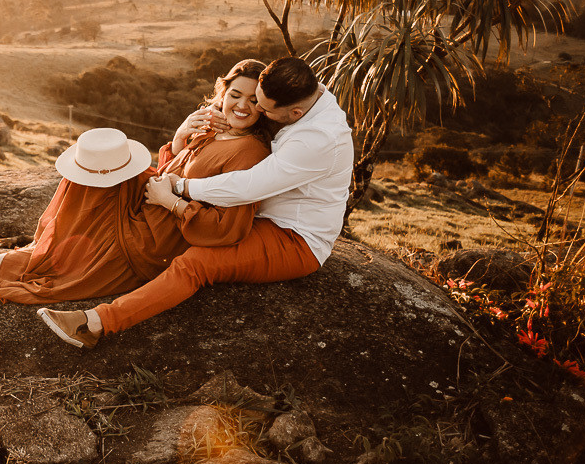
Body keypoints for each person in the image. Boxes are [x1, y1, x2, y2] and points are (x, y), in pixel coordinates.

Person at [0, 60, 275, 341]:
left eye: (253, 100)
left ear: (265, 109)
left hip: (157, 240)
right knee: (90, 169)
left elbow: (227, 229)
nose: (242, 105)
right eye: (235, 94)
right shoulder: (211, 131)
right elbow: (173, 175)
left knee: (79, 242)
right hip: (148, 211)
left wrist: (169, 203)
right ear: (222, 93)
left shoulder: (250, 152)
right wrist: (182, 135)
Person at [36, 56, 354, 348]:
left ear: (294, 114)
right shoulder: (307, 91)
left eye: (264, 109)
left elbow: (248, 186)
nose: (259, 111)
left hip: (293, 237)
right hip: (260, 217)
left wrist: (183, 189)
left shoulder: (315, 141)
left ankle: (94, 324)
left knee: (196, 265)